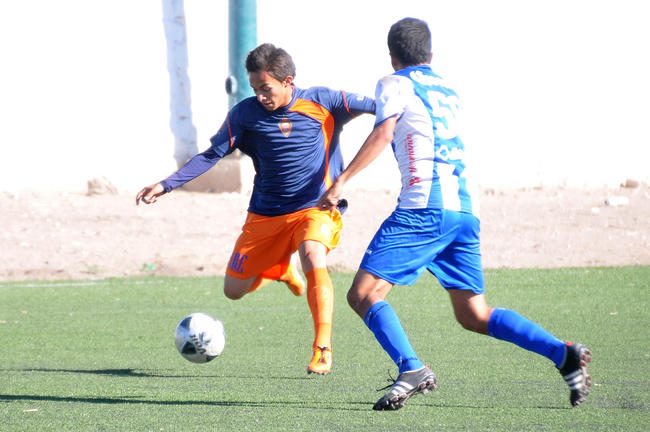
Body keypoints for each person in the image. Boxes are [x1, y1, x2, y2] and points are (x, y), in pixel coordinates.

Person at [318, 18, 592, 409]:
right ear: (430, 54)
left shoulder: (393, 82)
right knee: (473, 313)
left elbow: (383, 133)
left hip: (424, 208)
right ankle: (562, 354)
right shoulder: (448, 89)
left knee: (362, 294)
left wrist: (341, 181)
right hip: (464, 210)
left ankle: (411, 368)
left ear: (392, 56)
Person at [137, 43, 375, 375]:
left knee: (312, 253)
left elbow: (381, 108)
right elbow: (211, 155)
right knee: (233, 291)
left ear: (288, 81)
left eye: (266, 88)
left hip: (315, 207)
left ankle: (322, 348)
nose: (260, 96)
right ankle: (280, 270)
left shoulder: (324, 101)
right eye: (254, 89)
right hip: (265, 214)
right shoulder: (245, 114)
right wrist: (166, 184)